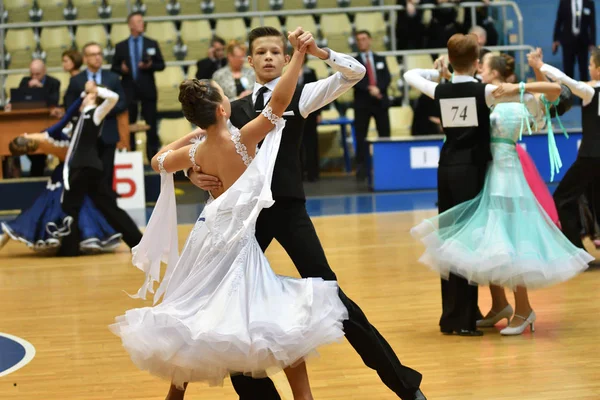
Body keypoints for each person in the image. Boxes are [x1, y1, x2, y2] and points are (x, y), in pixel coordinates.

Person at [189, 26, 426, 400]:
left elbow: (356, 73)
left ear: (286, 58)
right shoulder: (230, 109)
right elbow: (199, 149)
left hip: (287, 209)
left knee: (331, 294)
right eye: (261, 52)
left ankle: (403, 384)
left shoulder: (301, 95)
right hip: (244, 216)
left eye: (275, 51)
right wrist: (193, 172)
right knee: (227, 299)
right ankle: (257, 393)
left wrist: (318, 51)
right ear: (249, 62)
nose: (268, 57)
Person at [111, 29, 347, 400]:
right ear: (224, 110)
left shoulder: (196, 152)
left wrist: (187, 140)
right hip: (236, 246)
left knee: (190, 317)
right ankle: (305, 398)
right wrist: (298, 56)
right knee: (281, 322)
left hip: (204, 242)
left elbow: (157, 162)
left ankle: (175, 396)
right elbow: (281, 100)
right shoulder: (243, 139)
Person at [404, 33, 574, 337]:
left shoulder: (506, 95)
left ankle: (523, 308)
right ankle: (499, 304)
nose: (481, 67)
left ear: (494, 71)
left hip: (506, 175)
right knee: (489, 241)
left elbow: (554, 92)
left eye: (485, 64)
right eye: (479, 62)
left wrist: (522, 85)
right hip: (486, 171)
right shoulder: (486, 94)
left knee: (508, 239)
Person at [0, 96, 123, 254]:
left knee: (44, 208)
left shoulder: (40, 142)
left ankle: (63, 239)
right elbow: (66, 120)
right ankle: (86, 237)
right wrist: (79, 99)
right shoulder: (46, 135)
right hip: (71, 171)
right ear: (24, 136)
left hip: (64, 171)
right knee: (80, 205)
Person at [58, 82, 142, 257]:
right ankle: (138, 242)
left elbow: (114, 98)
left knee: (70, 205)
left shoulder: (95, 113)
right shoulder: (79, 118)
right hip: (85, 167)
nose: (86, 96)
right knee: (106, 206)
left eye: (89, 95)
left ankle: (69, 248)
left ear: (94, 99)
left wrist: (98, 90)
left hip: (86, 167)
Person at [533, 47, 600, 258]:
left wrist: (539, 65)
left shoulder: (591, 92)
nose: (588, 68)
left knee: (563, 198)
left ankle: (576, 253)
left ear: (598, 69)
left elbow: (564, 80)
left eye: (590, 65)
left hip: (591, 156)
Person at [65, 42, 128, 188]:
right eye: (93, 55)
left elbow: (122, 102)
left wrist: (102, 111)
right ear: (85, 58)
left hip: (108, 132)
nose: (98, 57)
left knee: (107, 173)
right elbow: (69, 105)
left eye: (99, 54)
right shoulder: (76, 81)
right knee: (85, 174)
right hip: (85, 136)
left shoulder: (113, 78)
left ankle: (105, 205)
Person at [111, 11, 165, 160]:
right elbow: (113, 67)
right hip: (128, 90)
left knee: (151, 126)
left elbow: (161, 65)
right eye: (139, 21)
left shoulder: (151, 43)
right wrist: (121, 70)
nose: (142, 23)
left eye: (142, 21)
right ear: (130, 25)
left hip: (148, 90)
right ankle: (131, 158)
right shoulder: (120, 46)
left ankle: (154, 159)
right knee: (129, 126)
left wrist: (150, 65)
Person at [353, 30, 392, 180]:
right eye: (359, 39)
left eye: (364, 38)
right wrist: (369, 88)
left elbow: (387, 78)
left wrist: (378, 89)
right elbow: (353, 79)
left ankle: (387, 165)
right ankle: (362, 169)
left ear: (369, 40)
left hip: (380, 101)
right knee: (361, 136)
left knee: (385, 134)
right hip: (362, 103)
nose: (362, 41)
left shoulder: (380, 58)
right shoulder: (354, 61)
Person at [18, 59, 61, 177]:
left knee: (39, 156)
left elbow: (54, 102)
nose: (34, 77)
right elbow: (18, 100)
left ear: (44, 71)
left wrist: (41, 89)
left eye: (37, 74)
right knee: (32, 152)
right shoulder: (25, 81)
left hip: (45, 122)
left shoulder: (54, 82)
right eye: (32, 74)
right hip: (28, 122)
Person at [553, 0, 596, 80]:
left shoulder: (589, 3)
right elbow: (559, 21)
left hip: (583, 42)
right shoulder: (564, 2)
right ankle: (569, 91)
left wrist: (592, 43)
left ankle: (585, 91)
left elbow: (592, 24)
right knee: (568, 70)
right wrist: (555, 39)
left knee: (584, 70)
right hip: (567, 41)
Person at [298, 54, 321, 182]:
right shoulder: (287, 72)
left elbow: (317, 93)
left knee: (311, 143)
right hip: (295, 112)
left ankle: (313, 173)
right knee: (297, 144)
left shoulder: (311, 72)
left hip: (311, 112)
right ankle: (299, 173)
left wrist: (318, 113)